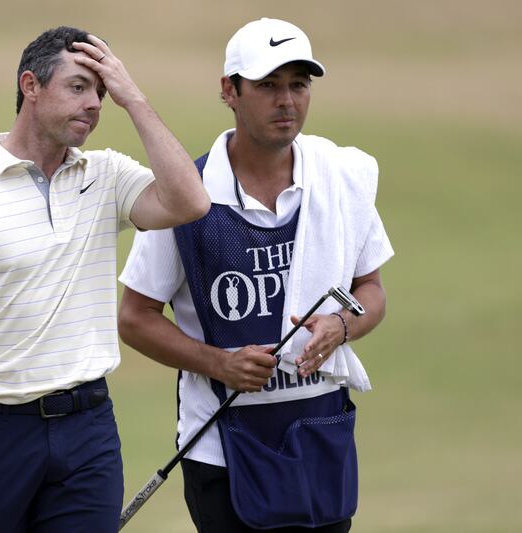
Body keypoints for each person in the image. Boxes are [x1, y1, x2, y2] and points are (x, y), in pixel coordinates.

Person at [0, 26, 210, 533]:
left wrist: (134, 99)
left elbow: (190, 201)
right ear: (30, 85)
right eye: (79, 86)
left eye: (103, 92)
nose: (94, 104)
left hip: (88, 428)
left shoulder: (105, 175)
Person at [118, 18, 394, 533]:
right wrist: (218, 364)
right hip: (222, 448)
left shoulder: (339, 180)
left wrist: (343, 326)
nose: (286, 101)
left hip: (322, 435)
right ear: (230, 91)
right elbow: (134, 318)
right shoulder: (188, 194)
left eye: (298, 84)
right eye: (268, 86)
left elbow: (370, 291)